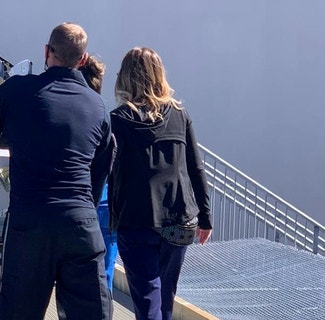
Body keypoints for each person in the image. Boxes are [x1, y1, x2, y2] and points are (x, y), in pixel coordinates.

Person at [0, 22, 114, 320]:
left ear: (47, 51)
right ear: (83, 59)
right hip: (80, 225)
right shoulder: (98, 106)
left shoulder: (16, 90)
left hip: (30, 223)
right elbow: (100, 170)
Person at [108, 47, 213, 320]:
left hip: (137, 219)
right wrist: (205, 216)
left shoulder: (118, 120)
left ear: (126, 78)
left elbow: (107, 169)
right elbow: (195, 166)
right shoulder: (179, 114)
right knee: (166, 297)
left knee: (147, 300)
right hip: (180, 220)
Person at [79, 55, 118, 293]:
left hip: (80, 204)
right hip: (106, 205)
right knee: (105, 274)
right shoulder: (106, 118)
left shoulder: (76, 119)